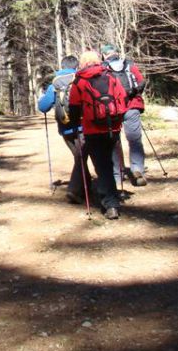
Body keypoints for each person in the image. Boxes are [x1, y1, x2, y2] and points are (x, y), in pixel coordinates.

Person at [68, 49, 128, 219]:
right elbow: (122, 98)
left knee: (102, 166)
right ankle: (113, 196)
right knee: (109, 163)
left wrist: (75, 126)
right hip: (113, 128)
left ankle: (111, 204)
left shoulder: (80, 81)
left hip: (93, 129)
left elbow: (73, 107)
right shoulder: (110, 76)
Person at [37, 54, 93, 205]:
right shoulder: (81, 79)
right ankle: (74, 190)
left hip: (65, 127)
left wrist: (42, 97)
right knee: (81, 157)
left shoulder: (54, 84)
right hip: (83, 125)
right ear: (77, 66)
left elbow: (43, 107)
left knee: (79, 157)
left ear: (62, 66)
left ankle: (86, 188)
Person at [101, 43, 148, 186]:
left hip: (113, 109)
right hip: (132, 106)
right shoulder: (129, 65)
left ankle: (117, 174)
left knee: (115, 142)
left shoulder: (103, 69)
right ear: (116, 52)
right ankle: (137, 169)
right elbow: (141, 81)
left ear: (104, 55)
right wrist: (134, 94)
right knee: (134, 139)